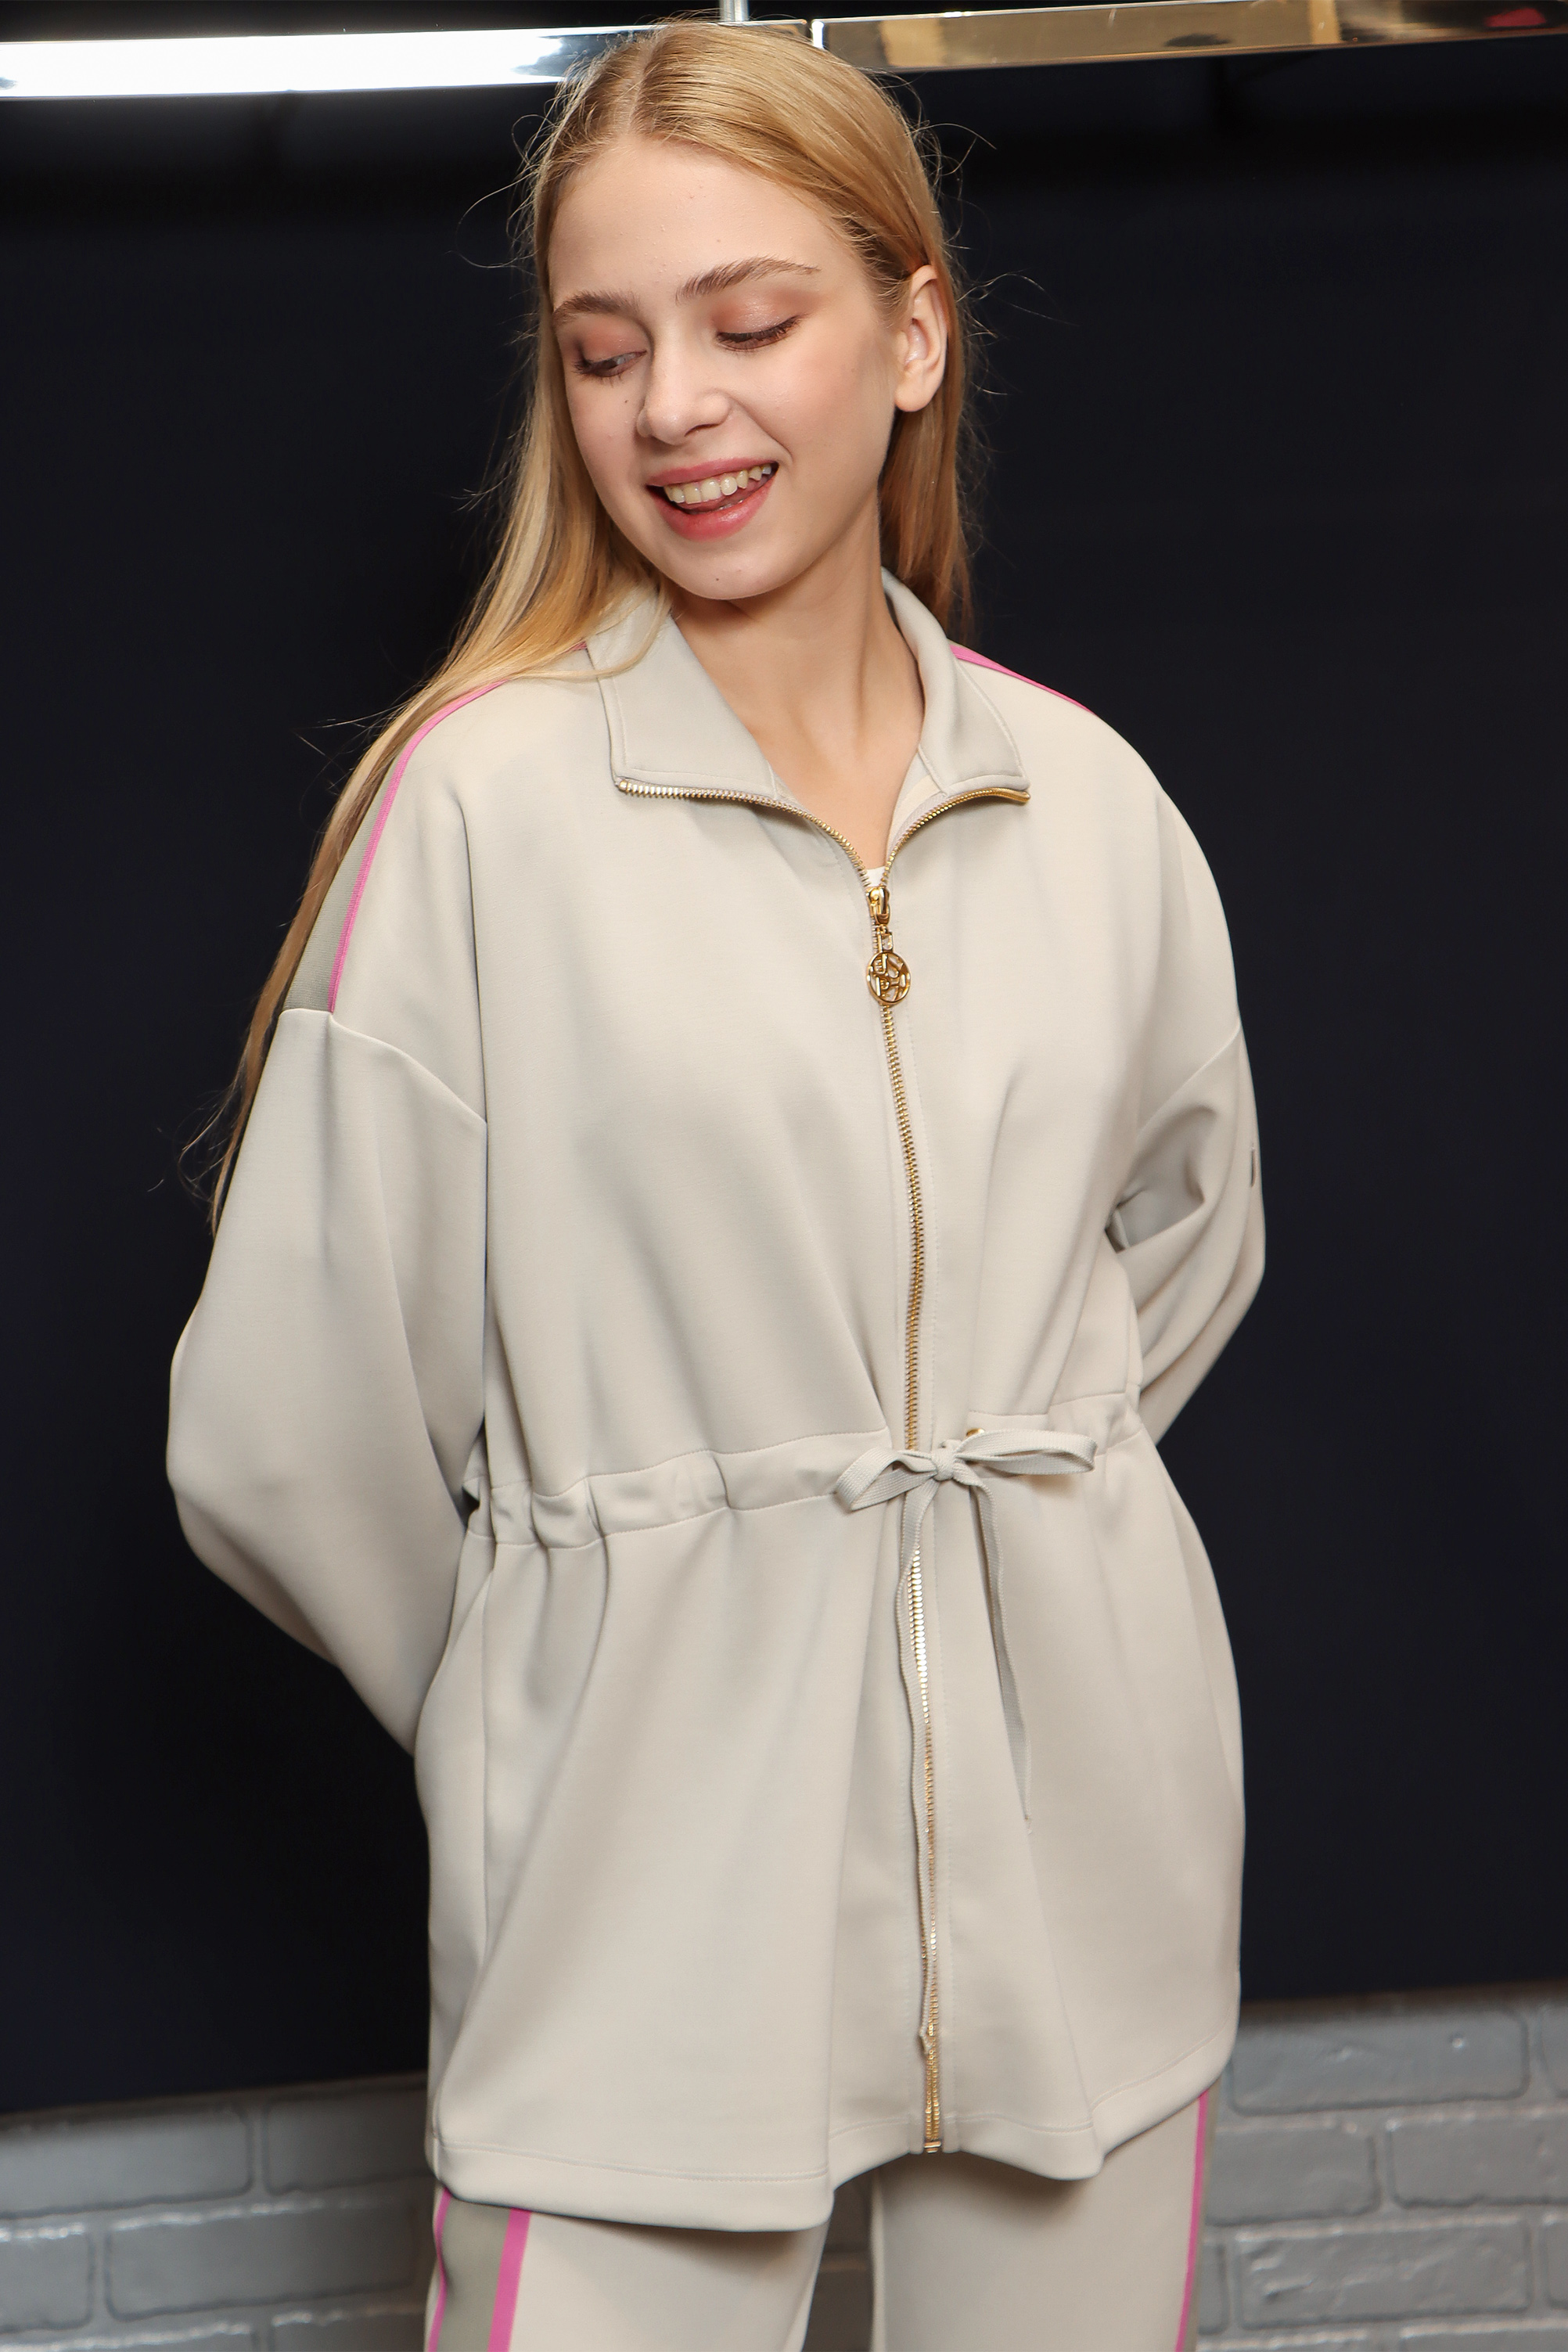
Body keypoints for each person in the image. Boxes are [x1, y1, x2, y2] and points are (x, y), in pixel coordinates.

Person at [168, 20, 1263, 2350]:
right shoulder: (480, 814)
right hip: (636, 1904)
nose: (675, 406)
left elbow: (1186, 1246)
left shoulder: (1088, 802)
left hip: (1092, 1861)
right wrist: (567, 1678)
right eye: (604, 350)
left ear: (913, 332)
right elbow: (280, 1427)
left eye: (749, 321)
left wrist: (1017, 1546)